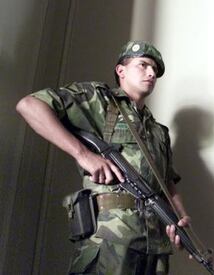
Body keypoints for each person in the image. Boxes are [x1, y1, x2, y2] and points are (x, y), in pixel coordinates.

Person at [16, 41, 190, 274]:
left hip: (155, 244)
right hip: (111, 237)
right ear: (121, 71)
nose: (151, 73)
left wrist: (179, 219)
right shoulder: (100, 100)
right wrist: (83, 154)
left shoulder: (159, 131)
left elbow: (167, 182)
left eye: (155, 71)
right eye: (144, 65)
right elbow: (30, 105)